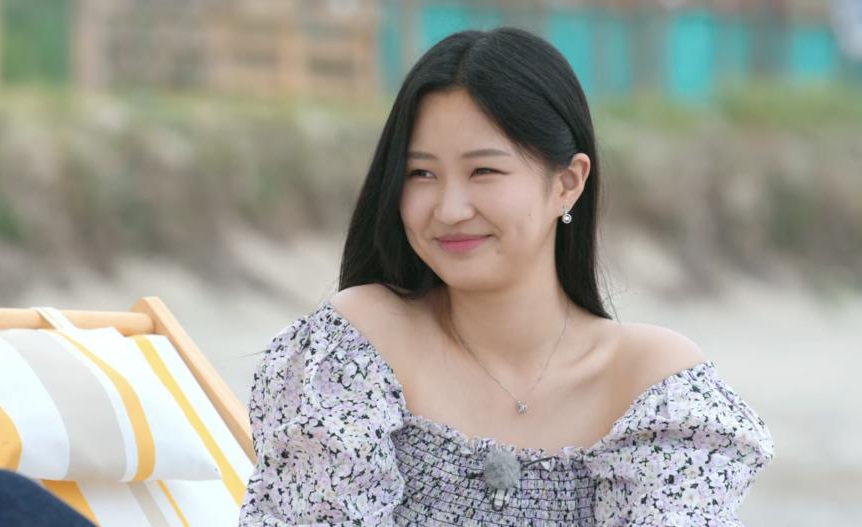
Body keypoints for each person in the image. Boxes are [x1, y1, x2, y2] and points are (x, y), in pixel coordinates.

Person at [237, 27, 775, 526]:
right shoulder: (356, 349)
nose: (448, 208)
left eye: (484, 171)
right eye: (421, 173)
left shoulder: (655, 389)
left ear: (567, 183)